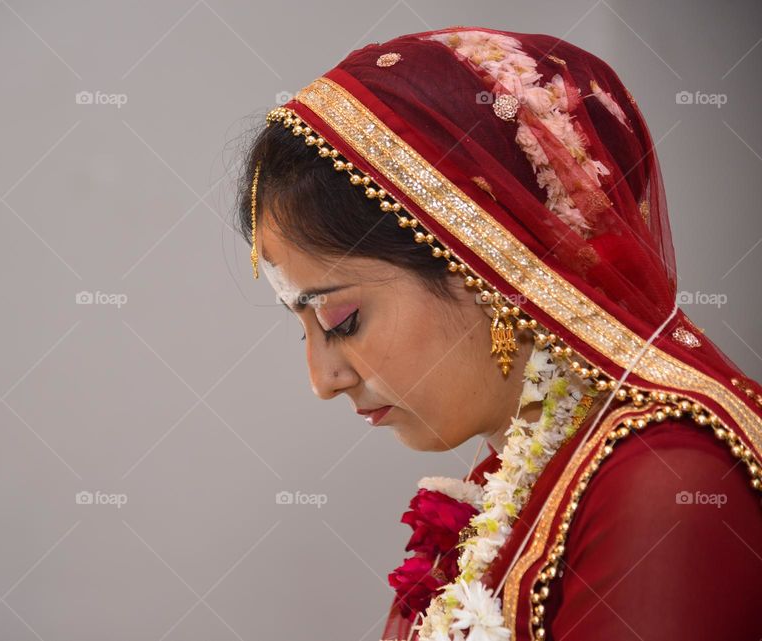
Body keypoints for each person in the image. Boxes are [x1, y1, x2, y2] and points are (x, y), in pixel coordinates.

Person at [235, 26, 762, 641]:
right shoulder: (511, 491)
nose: (323, 380)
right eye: (304, 331)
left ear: (486, 260)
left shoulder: (668, 487)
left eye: (339, 320)